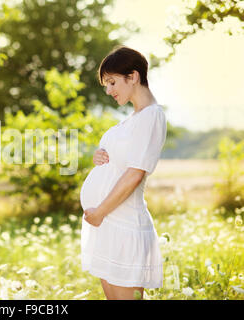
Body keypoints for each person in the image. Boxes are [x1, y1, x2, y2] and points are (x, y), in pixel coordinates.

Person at [79, 45, 167, 300]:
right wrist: (101, 156)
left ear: (133, 76)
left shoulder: (152, 116)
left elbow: (135, 174)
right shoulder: (133, 118)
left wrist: (99, 212)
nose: (109, 91)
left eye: (113, 82)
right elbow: (121, 162)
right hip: (109, 224)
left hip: (123, 223)